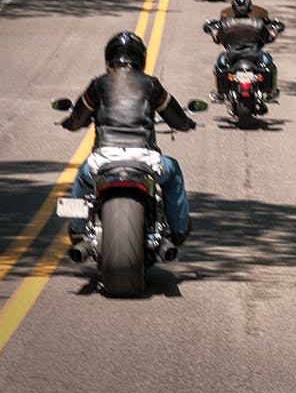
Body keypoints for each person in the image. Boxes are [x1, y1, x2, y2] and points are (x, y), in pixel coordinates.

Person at [59, 32, 197, 245]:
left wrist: (68, 123)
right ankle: (178, 229)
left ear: (109, 58)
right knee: (173, 171)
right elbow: (176, 119)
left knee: (82, 178)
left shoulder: (98, 84)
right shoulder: (151, 84)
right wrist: (188, 124)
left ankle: (77, 231)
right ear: (140, 59)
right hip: (144, 160)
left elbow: (77, 120)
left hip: (104, 159)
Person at [203, 0, 284, 101]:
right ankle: (271, 91)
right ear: (250, 7)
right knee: (269, 61)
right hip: (255, 55)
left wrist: (214, 33)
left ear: (233, 8)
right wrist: (273, 34)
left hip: (232, 56)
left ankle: (219, 92)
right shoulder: (258, 23)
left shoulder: (226, 24)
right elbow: (267, 38)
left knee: (220, 62)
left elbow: (218, 39)